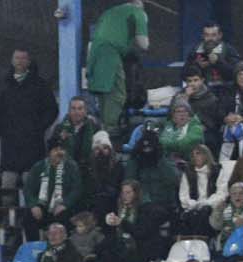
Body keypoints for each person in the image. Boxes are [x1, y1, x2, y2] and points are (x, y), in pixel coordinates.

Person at [0, 49, 56, 191]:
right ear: (12, 61)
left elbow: (52, 110)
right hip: (10, 146)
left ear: (29, 62)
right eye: (17, 58)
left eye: (23, 58)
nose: (19, 61)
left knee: (30, 184)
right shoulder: (5, 87)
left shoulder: (40, 86)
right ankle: (8, 214)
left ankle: (30, 213)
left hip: (32, 144)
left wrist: (39, 127)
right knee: (7, 184)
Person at [86, 0, 150, 133]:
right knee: (118, 94)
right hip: (109, 54)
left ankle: (103, 127)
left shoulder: (108, 13)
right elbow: (144, 44)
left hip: (93, 55)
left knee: (103, 94)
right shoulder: (137, 13)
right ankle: (110, 130)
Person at [24, 143, 84, 241]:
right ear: (49, 152)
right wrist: (34, 205)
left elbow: (77, 189)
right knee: (29, 217)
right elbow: (28, 189)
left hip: (62, 207)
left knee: (66, 216)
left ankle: (63, 249)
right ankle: (34, 249)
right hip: (42, 207)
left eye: (62, 149)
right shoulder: (39, 167)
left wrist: (65, 204)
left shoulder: (71, 166)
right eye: (56, 150)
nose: (59, 152)